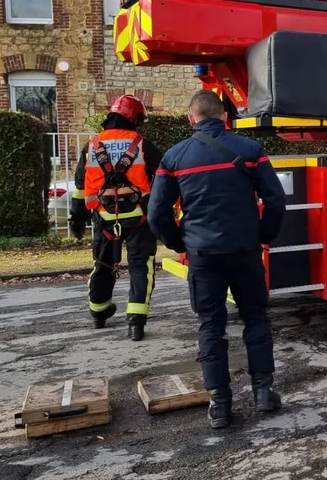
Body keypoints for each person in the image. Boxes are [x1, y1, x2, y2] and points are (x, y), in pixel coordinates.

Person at [148, 89, 287, 429]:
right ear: (225, 117)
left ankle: (220, 406)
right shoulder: (250, 151)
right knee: (255, 318)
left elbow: (156, 214)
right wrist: (264, 235)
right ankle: (263, 393)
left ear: (190, 119)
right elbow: (275, 200)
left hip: (203, 256)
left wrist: (179, 242)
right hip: (245, 252)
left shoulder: (174, 157)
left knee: (211, 325)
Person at [69, 94, 162, 342]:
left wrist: (76, 220)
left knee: (103, 265)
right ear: (134, 119)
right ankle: (136, 321)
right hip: (140, 220)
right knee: (141, 267)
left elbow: (80, 188)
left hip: (103, 219)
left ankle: (99, 313)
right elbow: (163, 181)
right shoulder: (142, 145)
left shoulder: (92, 146)